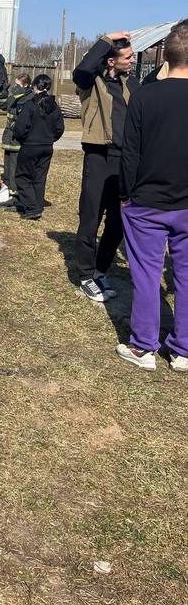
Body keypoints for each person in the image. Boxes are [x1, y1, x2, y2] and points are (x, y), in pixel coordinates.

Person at [117, 21, 188, 372]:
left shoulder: (145, 96)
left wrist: (125, 194)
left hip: (145, 201)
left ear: (165, 56)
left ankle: (143, 346)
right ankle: (183, 349)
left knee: (146, 273)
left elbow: (130, 153)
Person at [73, 32, 138, 302]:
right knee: (91, 217)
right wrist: (106, 39)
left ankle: (100, 270)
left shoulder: (130, 83)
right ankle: (85, 275)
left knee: (118, 220)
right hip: (100, 157)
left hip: (126, 160)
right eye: (128, 56)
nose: (133, 60)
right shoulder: (91, 82)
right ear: (111, 61)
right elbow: (83, 69)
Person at [12, 74, 64, 221]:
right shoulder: (55, 107)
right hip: (47, 147)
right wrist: (49, 139)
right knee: (39, 178)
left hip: (30, 145)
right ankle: (38, 205)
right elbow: (60, 128)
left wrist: (23, 139)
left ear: (35, 86)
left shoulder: (30, 105)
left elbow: (20, 128)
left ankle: (32, 207)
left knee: (22, 177)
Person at [1, 73, 32, 195]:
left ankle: (14, 189)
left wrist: (15, 94)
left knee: (14, 162)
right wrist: (1, 93)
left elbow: (18, 105)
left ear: (25, 85)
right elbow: (4, 105)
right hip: (9, 133)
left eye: (18, 85)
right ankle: (7, 185)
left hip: (17, 134)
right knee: (7, 160)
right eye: (15, 84)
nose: (15, 87)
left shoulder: (28, 97)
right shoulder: (14, 95)